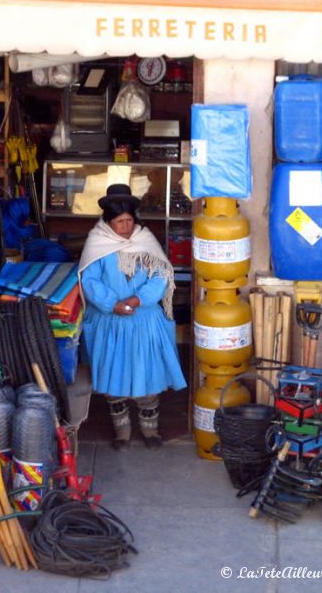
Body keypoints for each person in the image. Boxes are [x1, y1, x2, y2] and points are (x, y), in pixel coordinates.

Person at [78, 183, 187, 450]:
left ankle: (151, 431)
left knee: (148, 376)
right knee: (113, 380)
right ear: (108, 221)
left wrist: (138, 299)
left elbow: (161, 275)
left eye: (129, 221)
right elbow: (89, 281)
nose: (126, 227)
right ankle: (122, 431)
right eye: (119, 222)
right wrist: (111, 303)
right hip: (110, 322)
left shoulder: (145, 241)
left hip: (144, 321)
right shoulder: (97, 243)